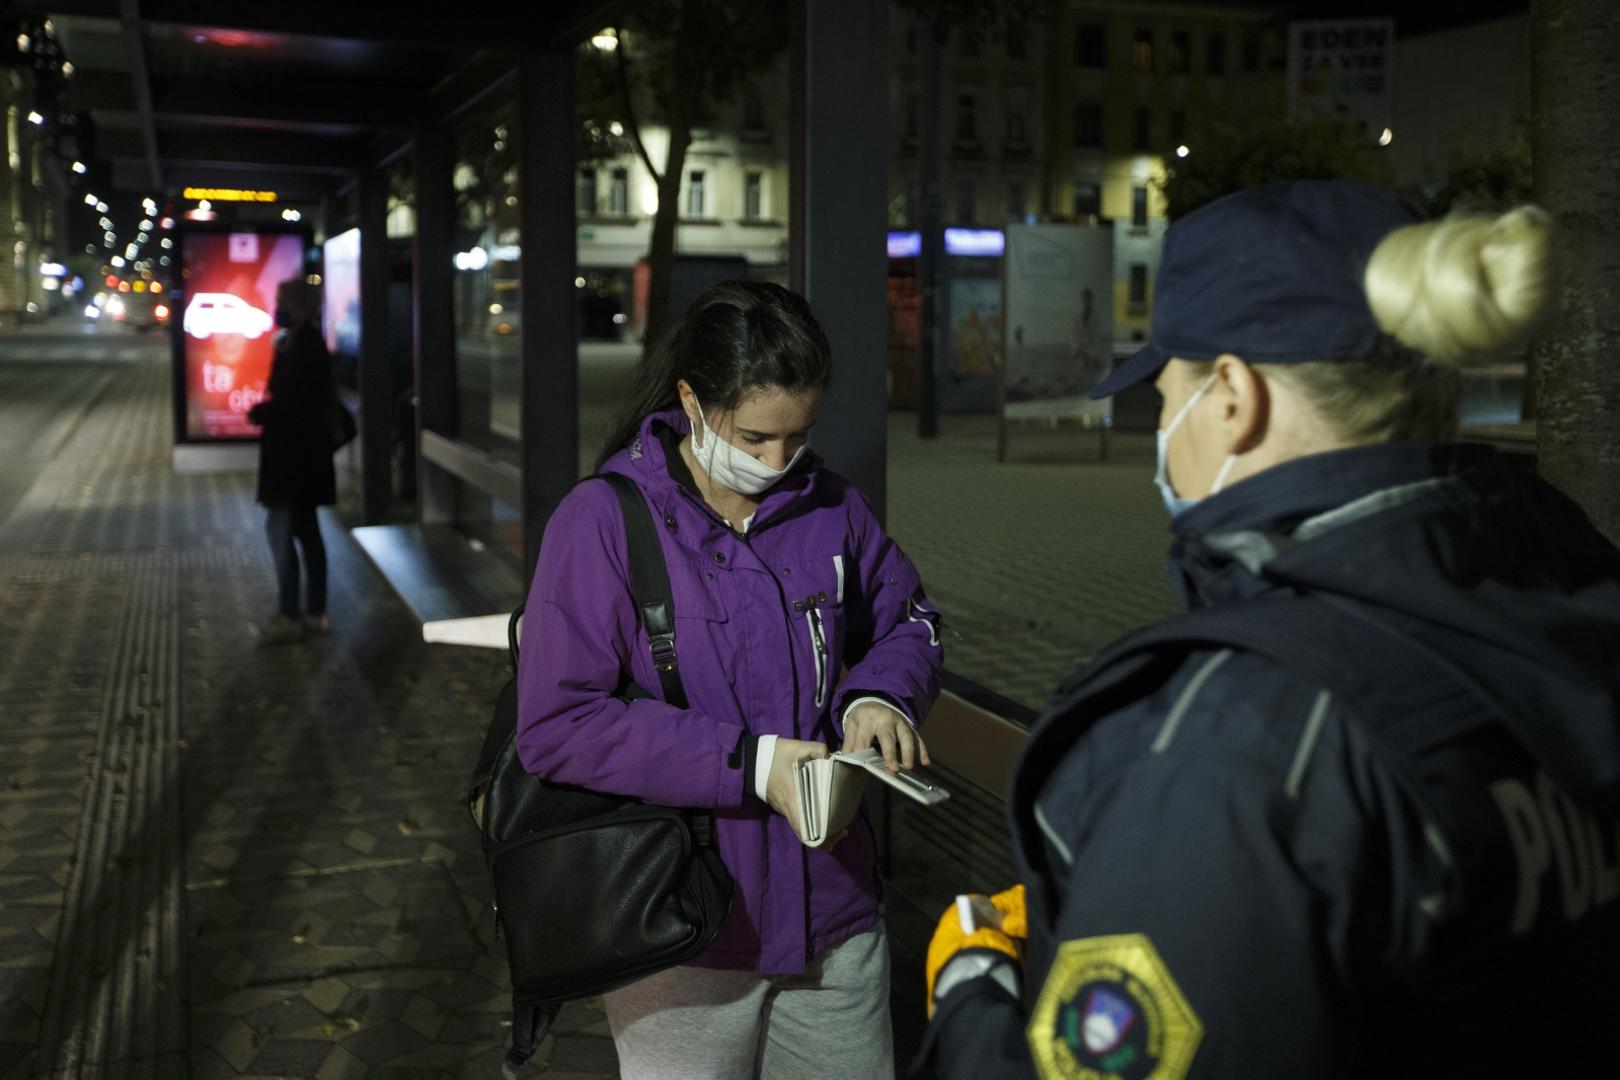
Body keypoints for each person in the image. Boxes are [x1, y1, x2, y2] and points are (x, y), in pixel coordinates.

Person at [916, 180, 1620, 1077]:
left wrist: (974, 988)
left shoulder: (1236, 743)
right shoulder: (1567, 595)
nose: (1161, 432)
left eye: (1166, 395)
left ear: (1233, 398)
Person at [516, 280, 944, 1080]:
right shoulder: (603, 522)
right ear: (690, 399)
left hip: (837, 918)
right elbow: (557, 723)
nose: (779, 463)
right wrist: (752, 763)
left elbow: (907, 620)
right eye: (754, 437)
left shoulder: (831, 509)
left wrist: (881, 695)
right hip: (684, 929)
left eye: (798, 436)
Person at [246, 279, 336, 644]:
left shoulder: (305, 344)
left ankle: (291, 613)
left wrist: (262, 412)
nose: (276, 307)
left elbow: (295, 403)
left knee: (281, 532)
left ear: (296, 305)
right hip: (302, 461)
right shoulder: (299, 339)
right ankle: (313, 612)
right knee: (306, 534)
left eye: (281, 301)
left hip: (293, 462)